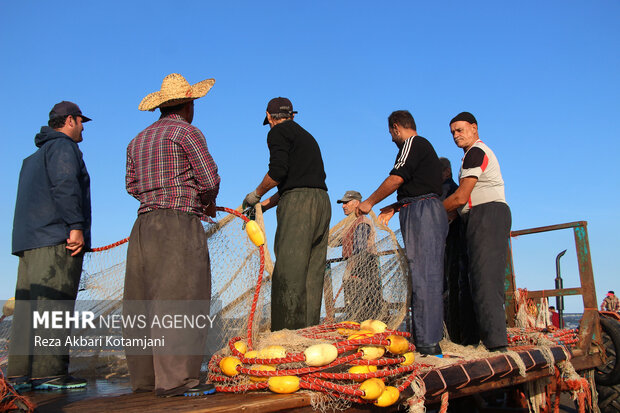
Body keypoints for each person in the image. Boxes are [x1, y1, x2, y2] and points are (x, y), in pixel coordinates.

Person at [124, 73, 220, 397]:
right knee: (182, 299)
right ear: (189, 104)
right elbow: (209, 179)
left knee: (141, 301)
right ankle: (177, 381)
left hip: (143, 227)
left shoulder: (136, 141)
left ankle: (146, 380)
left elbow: (132, 186)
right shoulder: (187, 132)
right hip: (178, 224)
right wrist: (207, 203)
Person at [9, 101, 92, 390]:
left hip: (28, 244)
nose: (83, 127)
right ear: (70, 120)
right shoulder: (64, 148)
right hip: (56, 240)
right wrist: (75, 227)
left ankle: (20, 374)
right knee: (54, 304)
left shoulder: (32, 158)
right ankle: (49, 373)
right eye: (81, 121)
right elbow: (65, 184)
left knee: (27, 308)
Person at [357, 110, 448, 356]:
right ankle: (427, 339)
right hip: (420, 207)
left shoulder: (411, 144)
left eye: (391, 133)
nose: (392, 138)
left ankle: (428, 342)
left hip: (423, 212)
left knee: (424, 275)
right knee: (423, 274)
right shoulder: (422, 148)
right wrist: (396, 206)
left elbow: (397, 178)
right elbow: (420, 183)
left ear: (396, 127)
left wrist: (369, 202)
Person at [243, 97, 330, 331]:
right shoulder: (306, 136)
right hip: (321, 202)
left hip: (299, 207)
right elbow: (293, 182)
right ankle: (308, 335)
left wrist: (255, 195)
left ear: (270, 117)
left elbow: (278, 172)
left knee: (288, 274)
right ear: (292, 115)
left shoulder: (277, 133)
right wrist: (262, 207)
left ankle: (285, 337)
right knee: (312, 273)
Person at [443, 112, 511, 352]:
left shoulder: (476, 152)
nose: (455, 135)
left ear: (474, 128)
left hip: (488, 214)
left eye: (460, 130)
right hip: (475, 216)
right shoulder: (467, 156)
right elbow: (463, 202)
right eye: (452, 132)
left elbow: (461, 196)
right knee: (474, 279)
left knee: (485, 278)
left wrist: (434, 213)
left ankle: (497, 344)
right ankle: (478, 339)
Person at [336, 190, 382, 321]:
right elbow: (338, 241)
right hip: (355, 267)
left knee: (362, 307)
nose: (343, 206)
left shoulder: (362, 222)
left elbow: (360, 248)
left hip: (363, 268)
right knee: (353, 305)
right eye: (342, 203)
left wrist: (355, 272)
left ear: (357, 203)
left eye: (346, 203)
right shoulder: (351, 223)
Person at [438, 157, 463, 343]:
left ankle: (448, 332)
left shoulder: (447, 189)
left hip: (447, 243)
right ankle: (453, 332)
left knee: (446, 287)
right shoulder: (452, 188)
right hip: (453, 243)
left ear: (447, 172)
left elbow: (449, 213)